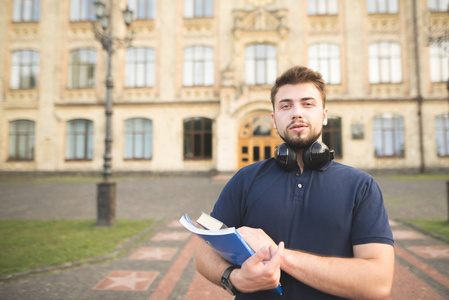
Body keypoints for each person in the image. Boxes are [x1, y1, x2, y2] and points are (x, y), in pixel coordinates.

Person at [194, 65, 395, 299]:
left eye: (308, 104)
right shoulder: (245, 179)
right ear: (274, 119)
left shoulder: (361, 186)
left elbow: (378, 283)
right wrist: (235, 278)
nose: (296, 113)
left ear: (325, 114)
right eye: (286, 105)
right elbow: (203, 252)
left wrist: (279, 256)